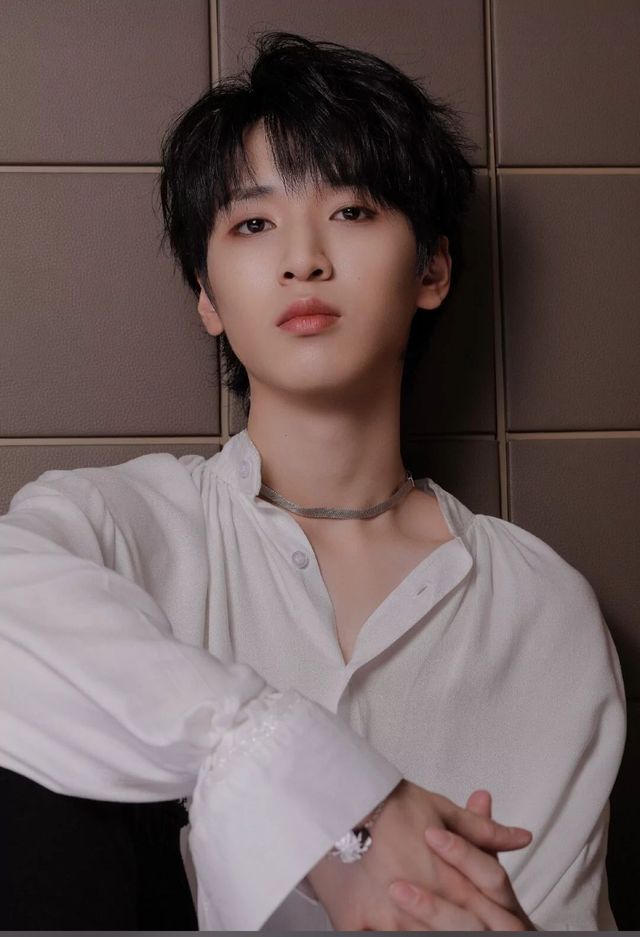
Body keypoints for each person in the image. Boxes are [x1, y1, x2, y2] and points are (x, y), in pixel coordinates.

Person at [0, 29, 624, 931]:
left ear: (433, 268)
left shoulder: (540, 610)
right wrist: (329, 798)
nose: (303, 259)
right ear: (208, 298)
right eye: (253, 224)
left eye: (353, 211)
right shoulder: (116, 527)